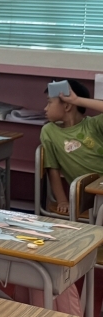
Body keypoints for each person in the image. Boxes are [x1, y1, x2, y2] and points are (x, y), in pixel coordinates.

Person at [39, 78, 103, 215]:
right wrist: (62, 200)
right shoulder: (49, 131)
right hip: (87, 198)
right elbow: (52, 168)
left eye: (49, 102)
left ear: (67, 106)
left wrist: (76, 100)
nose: (45, 108)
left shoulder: (94, 125)